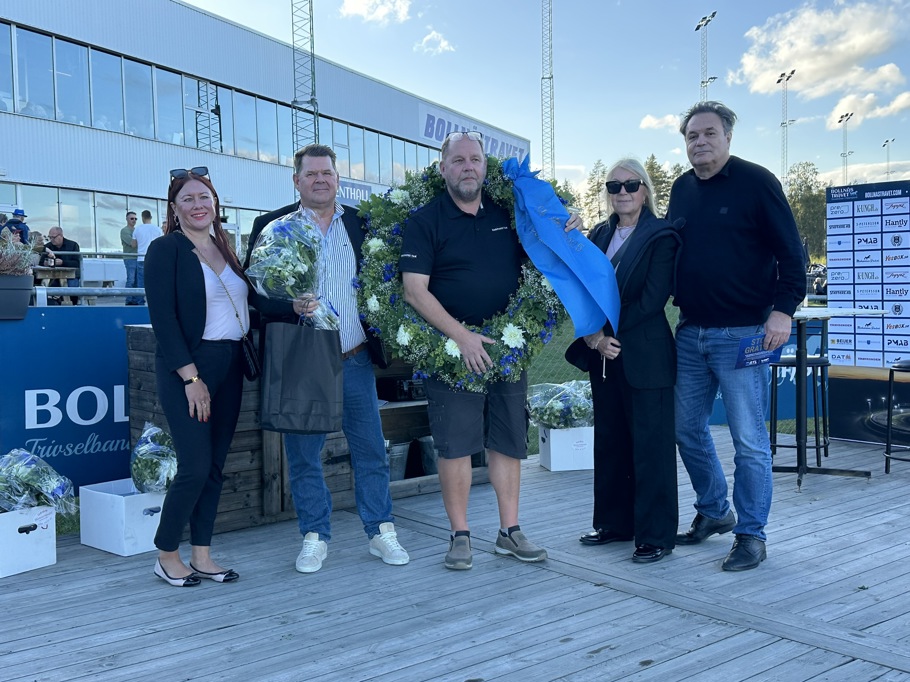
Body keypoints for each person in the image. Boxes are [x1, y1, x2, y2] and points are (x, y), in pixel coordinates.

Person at [400, 131, 567, 570]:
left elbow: (545, 254)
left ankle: (510, 532)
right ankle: (460, 535)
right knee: (455, 446)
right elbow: (415, 291)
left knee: (508, 441)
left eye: (474, 159)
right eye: (458, 160)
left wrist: (566, 226)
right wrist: (461, 336)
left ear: (485, 166)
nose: (467, 167)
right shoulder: (426, 220)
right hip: (451, 351)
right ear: (443, 168)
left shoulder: (508, 214)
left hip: (507, 350)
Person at [245, 144, 409, 574]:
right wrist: (289, 306)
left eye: (327, 173)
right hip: (302, 361)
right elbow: (255, 295)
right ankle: (315, 536)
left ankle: (381, 531)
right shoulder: (273, 227)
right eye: (311, 173)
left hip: (354, 357)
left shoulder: (362, 223)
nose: (320, 179)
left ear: (338, 179)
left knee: (370, 450)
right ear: (296, 180)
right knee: (304, 456)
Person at [668, 101, 806, 572]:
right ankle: (714, 509)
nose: (700, 142)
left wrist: (782, 311)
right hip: (691, 333)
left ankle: (751, 535)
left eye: (709, 133)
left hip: (744, 334)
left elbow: (792, 254)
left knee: (748, 440)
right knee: (685, 428)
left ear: (728, 137)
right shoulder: (681, 189)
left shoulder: (757, 182)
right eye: (692, 135)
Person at [564, 158, 681, 564]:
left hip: (646, 355)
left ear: (645, 190)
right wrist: (594, 339)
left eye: (631, 185)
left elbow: (651, 299)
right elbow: (580, 286)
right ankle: (614, 523)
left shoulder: (662, 235)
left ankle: (655, 535)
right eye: (614, 186)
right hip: (605, 355)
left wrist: (605, 333)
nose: (623, 192)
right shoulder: (599, 233)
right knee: (611, 442)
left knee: (651, 448)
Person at [144, 167, 250, 587]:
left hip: (231, 363)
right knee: (195, 465)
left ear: (215, 203)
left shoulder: (226, 248)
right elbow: (163, 319)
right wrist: (191, 379)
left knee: (215, 466)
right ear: (174, 208)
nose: (198, 205)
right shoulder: (165, 249)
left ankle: (202, 555)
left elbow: (248, 304)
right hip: (189, 368)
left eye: (204, 197)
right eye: (187, 199)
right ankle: (166, 554)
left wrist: (294, 305)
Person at [44, 226, 81, 305]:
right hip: (53, 276)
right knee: (46, 286)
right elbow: (41, 262)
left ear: (60, 236)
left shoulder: (73, 245)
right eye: (50, 237)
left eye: (53, 237)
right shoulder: (47, 247)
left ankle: (73, 306)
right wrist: (46, 263)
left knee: (72, 289)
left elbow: (77, 263)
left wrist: (63, 262)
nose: (51, 240)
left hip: (71, 275)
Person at [134, 209, 162, 305]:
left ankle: (140, 301)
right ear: (151, 217)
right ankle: (155, 301)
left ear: (142, 217)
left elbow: (133, 244)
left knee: (141, 281)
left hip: (141, 257)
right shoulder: (157, 229)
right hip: (155, 258)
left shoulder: (138, 229)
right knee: (155, 281)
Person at [121, 211, 140, 305]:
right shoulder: (124, 231)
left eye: (135, 218)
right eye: (132, 218)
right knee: (131, 280)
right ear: (127, 219)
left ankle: (135, 300)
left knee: (137, 280)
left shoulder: (137, 230)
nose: (134, 220)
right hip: (129, 258)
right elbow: (133, 244)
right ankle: (128, 300)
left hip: (138, 258)